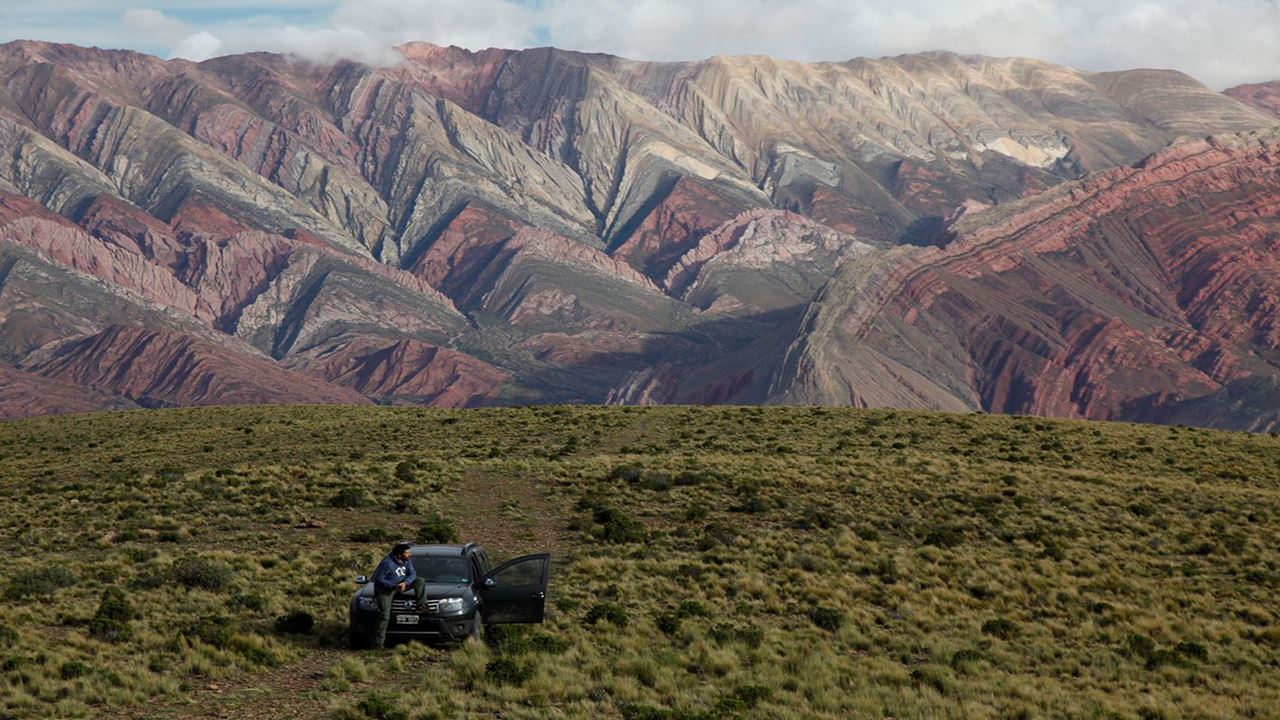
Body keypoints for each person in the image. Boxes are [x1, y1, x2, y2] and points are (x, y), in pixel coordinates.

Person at [371, 541, 428, 649]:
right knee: (384, 615)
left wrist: (405, 583)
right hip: (386, 590)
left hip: (401, 585)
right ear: (399, 554)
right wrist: (393, 585)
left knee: (419, 581)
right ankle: (378, 643)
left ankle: (421, 605)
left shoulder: (407, 561)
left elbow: (413, 574)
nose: (410, 555)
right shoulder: (387, 564)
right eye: (407, 553)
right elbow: (379, 580)